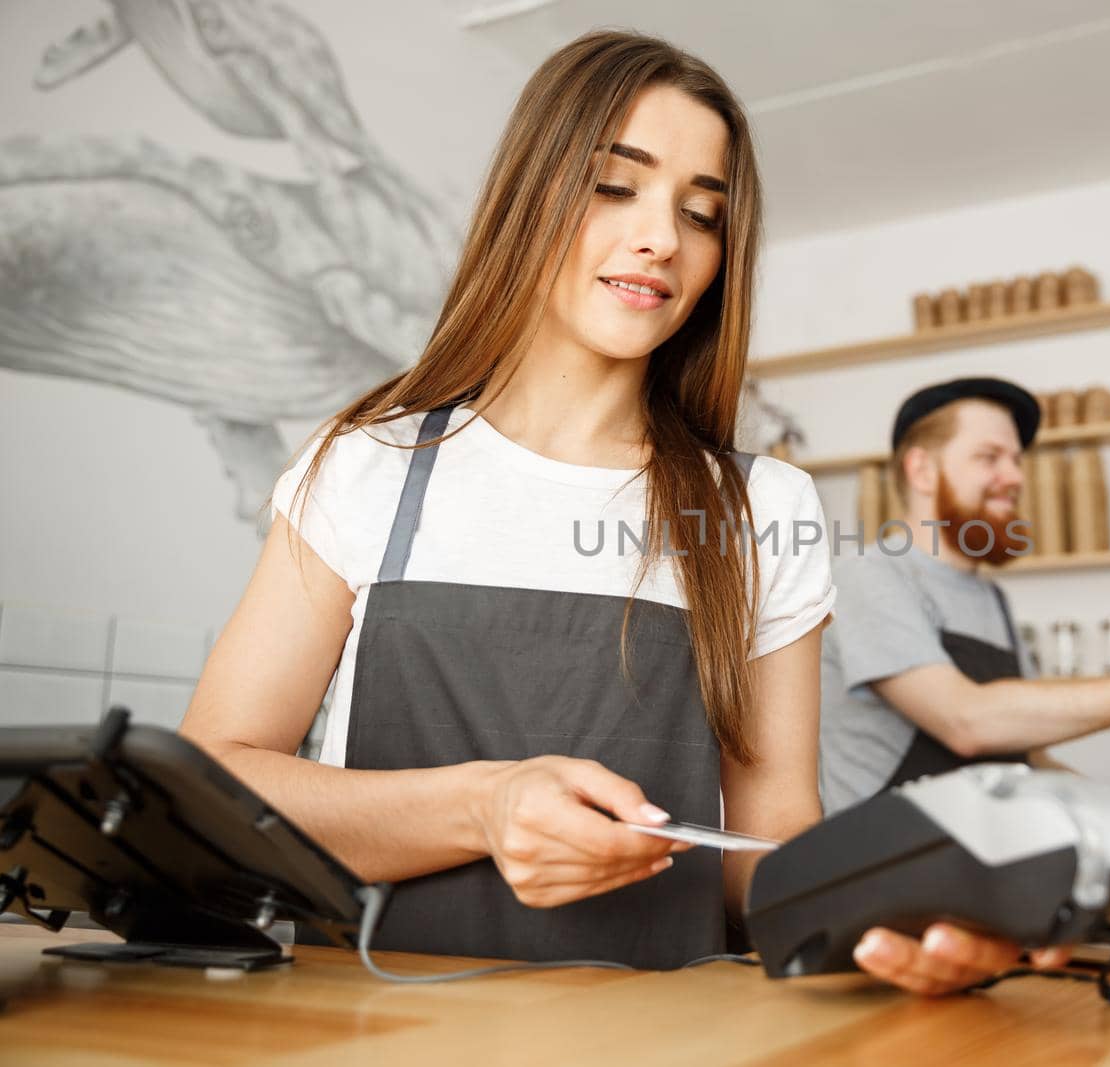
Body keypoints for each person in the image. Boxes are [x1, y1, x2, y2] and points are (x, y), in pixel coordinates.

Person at [180, 31, 1058, 996]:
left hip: (663, 1034)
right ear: (532, 194)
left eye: (702, 213)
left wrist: (898, 913)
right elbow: (218, 784)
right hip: (379, 1026)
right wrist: (480, 805)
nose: (663, 239)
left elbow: (768, 852)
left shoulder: (762, 509)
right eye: (614, 185)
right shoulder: (367, 465)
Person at [818, 378, 1110, 849]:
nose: (1015, 477)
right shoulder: (868, 575)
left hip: (973, 864)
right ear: (922, 470)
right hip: (880, 874)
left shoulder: (992, 600)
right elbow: (966, 722)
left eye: (1017, 461)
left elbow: (1028, 759)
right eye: (989, 457)